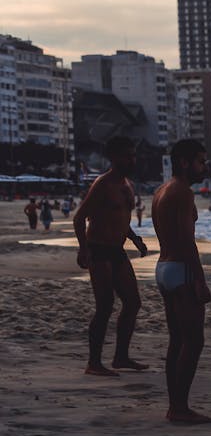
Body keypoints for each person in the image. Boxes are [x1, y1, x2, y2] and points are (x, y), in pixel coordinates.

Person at [73, 136, 148, 376]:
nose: (132, 160)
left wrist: (134, 238)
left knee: (133, 302)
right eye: (127, 155)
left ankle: (121, 357)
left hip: (117, 251)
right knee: (105, 306)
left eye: (133, 155)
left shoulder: (128, 185)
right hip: (99, 250)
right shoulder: (102, 184)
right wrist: (83, 248)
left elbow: (120, 218)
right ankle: (93, 363)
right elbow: (79, 218)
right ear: (114, 158)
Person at [151, 139, 211, 424]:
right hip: (181, 269)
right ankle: (179, 407)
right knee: (194, 340)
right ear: (185, 163)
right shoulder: (183, 193)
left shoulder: (161, 191)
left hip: (164, 268)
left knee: (177, 339)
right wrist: (199, 279)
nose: (205, 166)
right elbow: (188, 241)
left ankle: (176, 405)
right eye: (201, 161)